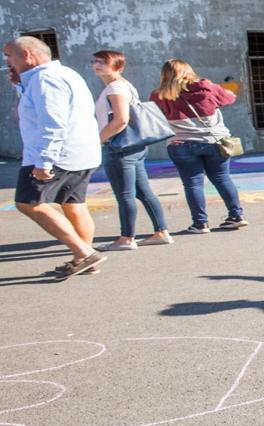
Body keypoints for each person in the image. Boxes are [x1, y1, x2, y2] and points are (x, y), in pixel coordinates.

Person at [5, 36, 106, 278]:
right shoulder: (62, 74)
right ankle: (84, 258)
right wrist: (20, 84)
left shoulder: (45, 79)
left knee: (28, 203)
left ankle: (84, 252)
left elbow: (53, 123)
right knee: (73, 205)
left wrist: (44, 161)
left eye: (9, 55)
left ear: (27, 55)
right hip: (80, 152)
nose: (6, 61)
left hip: (56, 155)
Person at [91, 50, 172, 251]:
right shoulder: (123, 85)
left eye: (103, 62)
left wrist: (99, 140)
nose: (97, 65)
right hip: (133, 146)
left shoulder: (115, 88)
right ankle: (161, 232)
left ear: (118, 66)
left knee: (125, 195)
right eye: (95, 61)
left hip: (120, 147)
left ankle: (126, 238)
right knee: (143, 192)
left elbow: (121, 120)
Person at [152, 59, 246, 233]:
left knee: (192, 184)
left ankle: (200, 223)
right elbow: (229, 98)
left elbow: (156, 118)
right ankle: (236, 216)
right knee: (222, 178)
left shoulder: (159, 95)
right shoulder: (206, 87)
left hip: (181, 144)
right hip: (215, 143)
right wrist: (229, 86)